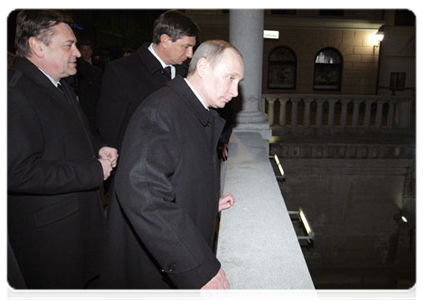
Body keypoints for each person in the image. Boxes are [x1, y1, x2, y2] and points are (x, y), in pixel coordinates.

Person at [97, 39, 244, 300]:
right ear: (202, 67)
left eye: (238, 82)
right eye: (230, 78)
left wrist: (206, 203)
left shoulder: (190, 108)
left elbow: (177, 174)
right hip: (153, 272)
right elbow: (143, 194)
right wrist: (200, 267)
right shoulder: (161, 112)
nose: (234, 91)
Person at [5, 8, 118, 300]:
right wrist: (94, 171)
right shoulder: (14, 94)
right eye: (68, 45)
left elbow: (70, 134)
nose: (78, 53)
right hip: (52, 246)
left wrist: (98, 147)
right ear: (37, 46)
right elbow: (16, 172)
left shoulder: (56, 84)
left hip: (77, 233)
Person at [96, 9, 199, 151]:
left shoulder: (186, 74)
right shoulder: (121, 71)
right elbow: (109, 129)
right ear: (165, 40)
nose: (190, 54)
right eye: (186, 47)